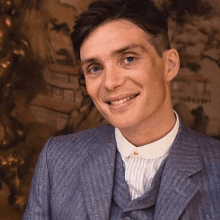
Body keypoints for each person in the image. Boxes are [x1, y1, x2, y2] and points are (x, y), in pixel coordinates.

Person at [23, 0, 220, 219]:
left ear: (169, 64)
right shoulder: (57, 160)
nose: (110, 83)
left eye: (128, 59)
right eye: (95, 68)